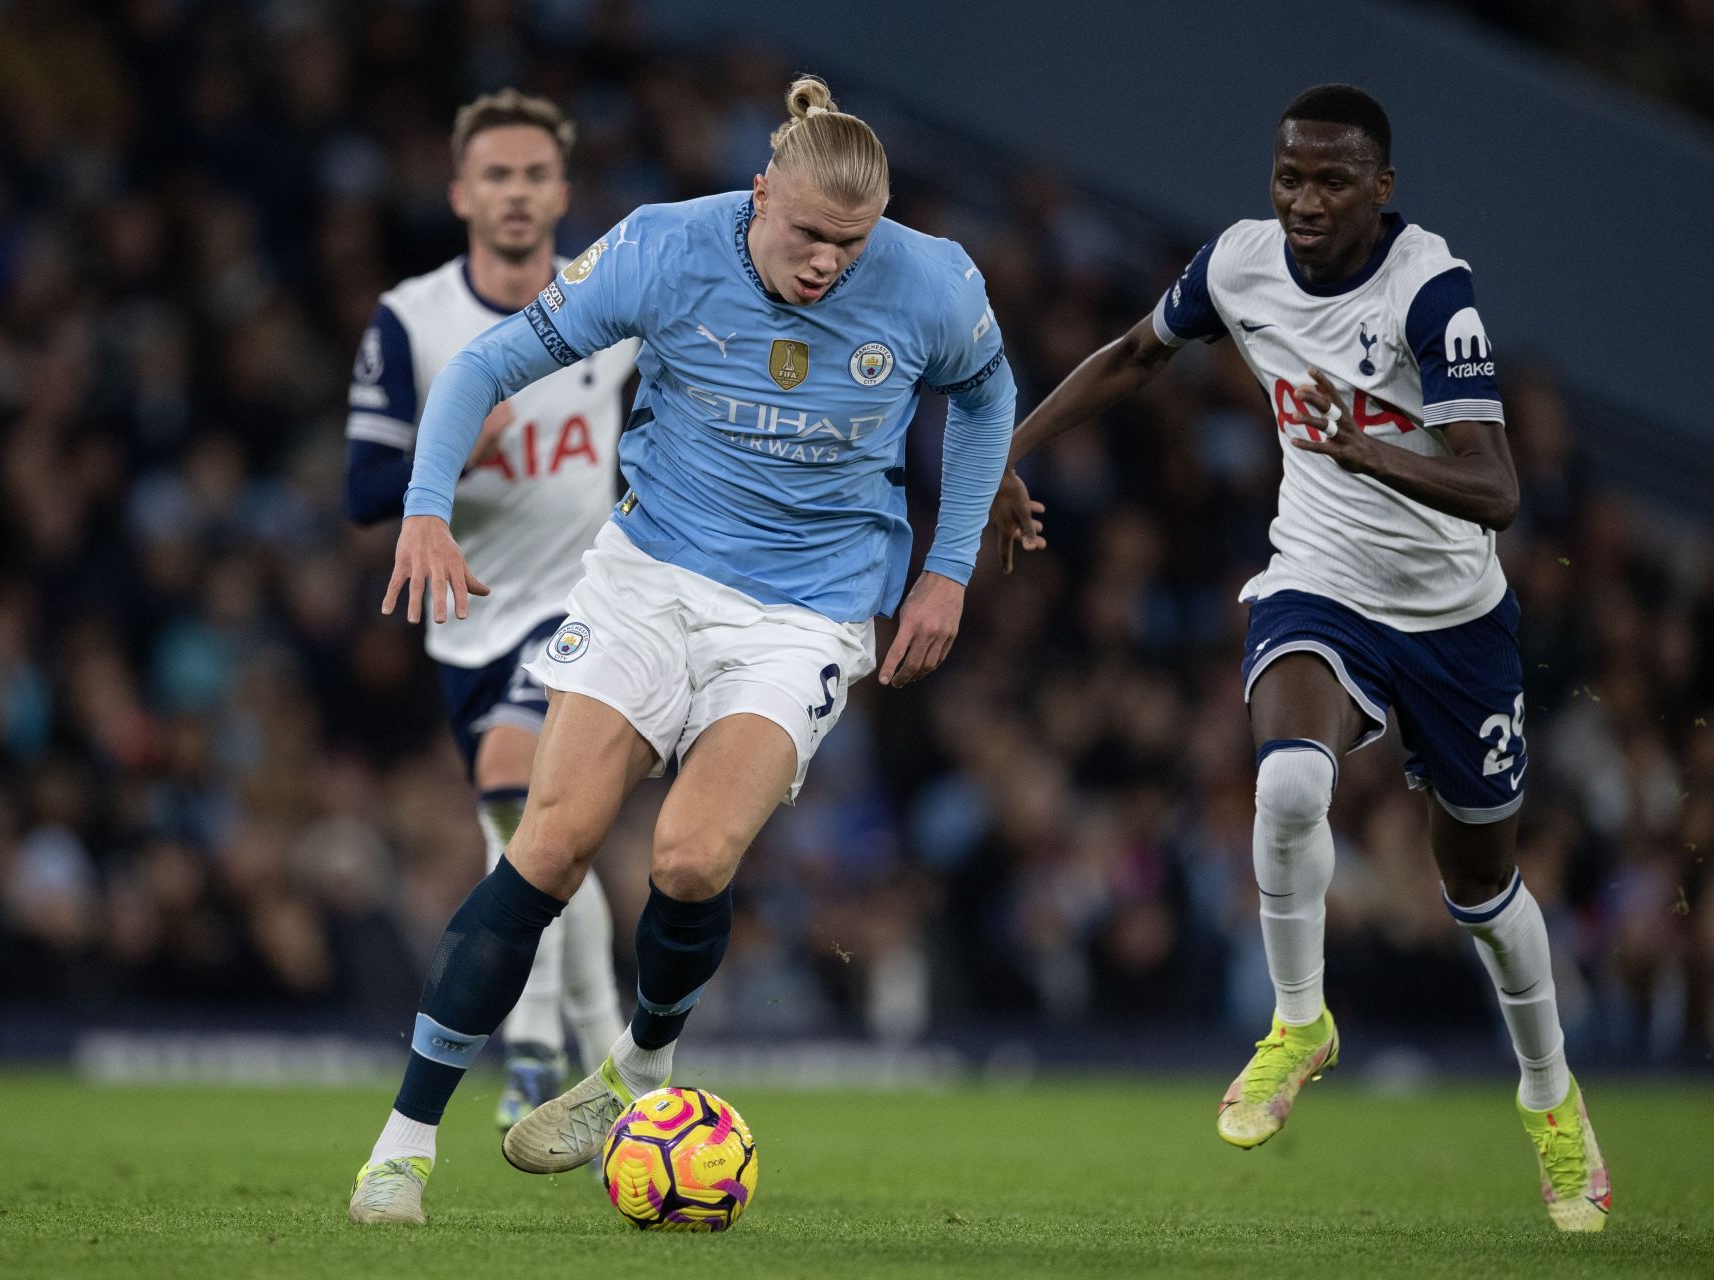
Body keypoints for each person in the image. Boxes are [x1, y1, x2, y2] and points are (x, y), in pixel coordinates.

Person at [348, 75, 1014, 1225]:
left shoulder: (932, 280)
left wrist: (945, 569)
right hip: (650, 575)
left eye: (851, 243)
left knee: (693, 861)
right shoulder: (662, 250)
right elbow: (485, 364)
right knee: (548, 843)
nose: (827, 265)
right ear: (760, 194)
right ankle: (401, 1147)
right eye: (807, 235)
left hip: (805, 611)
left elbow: (988, 393)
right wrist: (423, 504)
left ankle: (639, 1068)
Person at [992, 84, 1610, 1233]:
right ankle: (1299, 1022)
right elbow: (1137, 352)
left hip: (1456, 623)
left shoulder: (1432, 287)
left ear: (1383, 188)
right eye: (1290, 177)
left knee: (1479, 893)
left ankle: (1550, 1095)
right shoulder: (1239, 264)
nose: (1306, 201)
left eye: (1333, 181)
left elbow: (1498, 487)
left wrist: (1362, 440)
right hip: (1319, 581)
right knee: (1285, 781)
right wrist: (1007, 454)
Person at [342, 90, 635, 1141]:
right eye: (496, 177)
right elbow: (364, 486)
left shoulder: (605, 302)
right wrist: (455, 442)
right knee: (541, 837)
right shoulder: (413, 319)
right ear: (463, 192)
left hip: (591, 600)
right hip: (467, 620)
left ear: (562, 191)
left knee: (521, 793)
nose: (516, 194)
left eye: (534, 176)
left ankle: (533, 1053)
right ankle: (608, 1066)